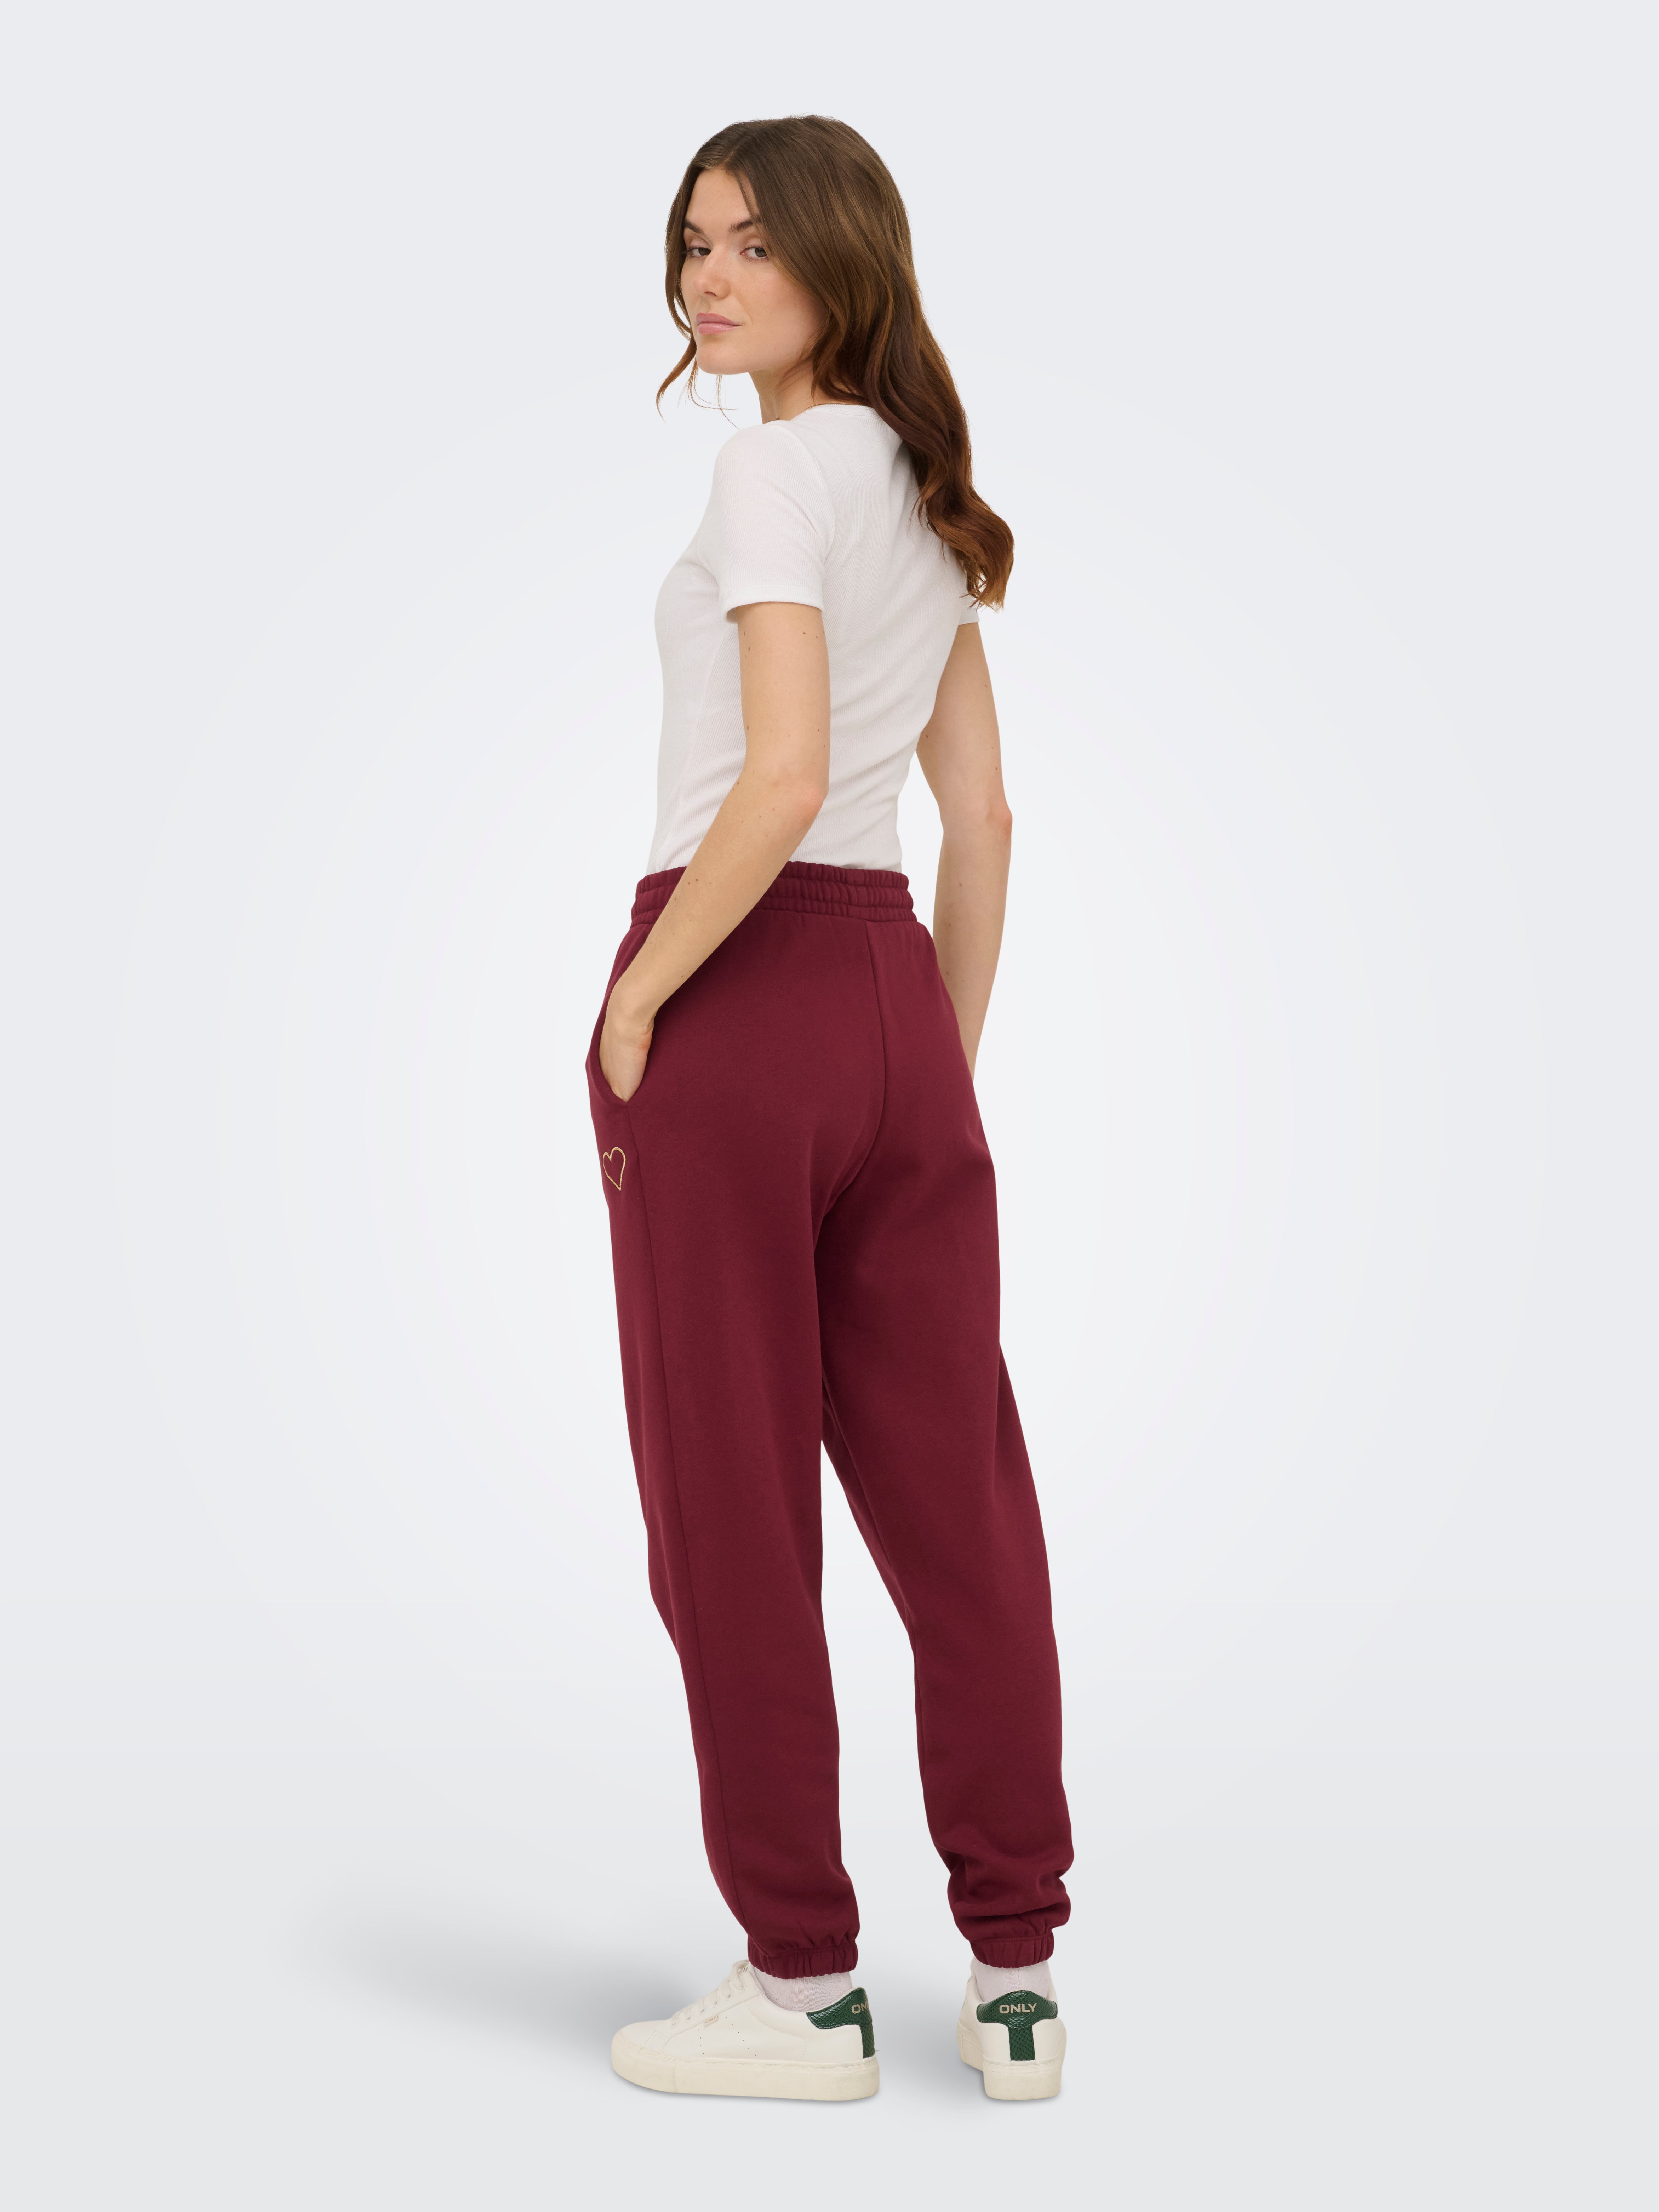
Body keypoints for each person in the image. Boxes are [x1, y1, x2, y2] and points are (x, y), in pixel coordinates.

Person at [585, 115, 1072, 2104]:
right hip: (888, 1000)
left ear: (839, 261)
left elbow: (780, 780)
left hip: (735, 979)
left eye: (755, 245)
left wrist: (643, 998)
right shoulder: (928, 489)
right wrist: (924, 1066)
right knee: (961, 1497)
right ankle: (1018, 1972)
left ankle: (802, 1988)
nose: (710, 279)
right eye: (694, 241)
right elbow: (985, 820)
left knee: (730, 1505)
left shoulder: (771, 469)